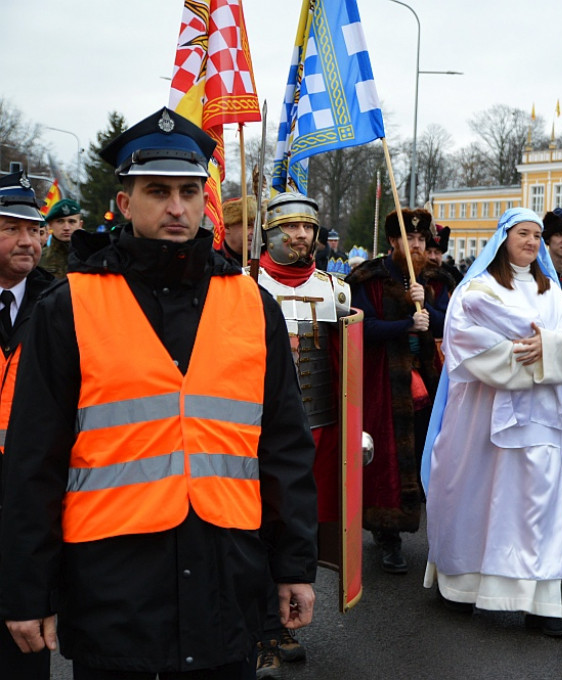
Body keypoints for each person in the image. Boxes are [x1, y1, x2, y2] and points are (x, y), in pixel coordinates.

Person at [0, 107, 319, 679]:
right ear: (125, 202)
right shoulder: (69, 307)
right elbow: (33, 462)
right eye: (158, 191)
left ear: (206, 200)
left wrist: (294, 564)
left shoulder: (252, 304)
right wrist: (27, 589)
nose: (177, 207)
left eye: (189, 191)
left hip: (227, 585)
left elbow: (285, 448)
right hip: (114, 595)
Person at [420, 207, 562, 637]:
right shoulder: (476, 289)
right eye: (523, 233)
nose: (532, 242)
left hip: (541, 418)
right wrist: (528, 351)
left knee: (539, 504)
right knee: (476, 496)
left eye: (537, 235)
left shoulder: (551, 292)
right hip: (481, 416)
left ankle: (541, 604)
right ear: (503, 238)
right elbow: (466, 341)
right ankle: (460, 586)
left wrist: (545, 346)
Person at [249, 191, 351, 676]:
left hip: (319, 426)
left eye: (307, 228)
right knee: (256, 525)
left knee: (300, 527)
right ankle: (257, 619)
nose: (300, 236)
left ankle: (284, 618)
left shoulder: (336, 289)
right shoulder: (247, 285)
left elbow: (347, 367)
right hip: (257, 430)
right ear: (269, 233)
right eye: (289, 228)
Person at [347, 208, 449, 574]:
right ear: (393, 242)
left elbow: (454, 322)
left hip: (430, 379)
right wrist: (407, 320)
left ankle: (429, 526)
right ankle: (386, 529)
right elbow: (363, 325)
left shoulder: (437, 279)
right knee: (388, 456)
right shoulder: (370, 277)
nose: (417, 245)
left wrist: (429, 313)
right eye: (410, 239)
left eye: (422, 240)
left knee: (426, 452)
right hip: (385, 380)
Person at [0, 171, 55, 679]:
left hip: (29, 502)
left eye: (35, 229)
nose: (29, 241)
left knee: (23, 654)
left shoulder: (61, 306)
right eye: (12, 228)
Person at [40, 197, 84, 279]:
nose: (66, 227)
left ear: (80, 225)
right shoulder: (39, 258)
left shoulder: (89, 257)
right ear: (50, 225)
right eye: (60, 221)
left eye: (72, 222)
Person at [220, 194, 257, 267]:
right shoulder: (212, 262)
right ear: (227, 227)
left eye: (257, 226)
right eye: (248, 225)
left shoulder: (263, 260)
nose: (254, 232)